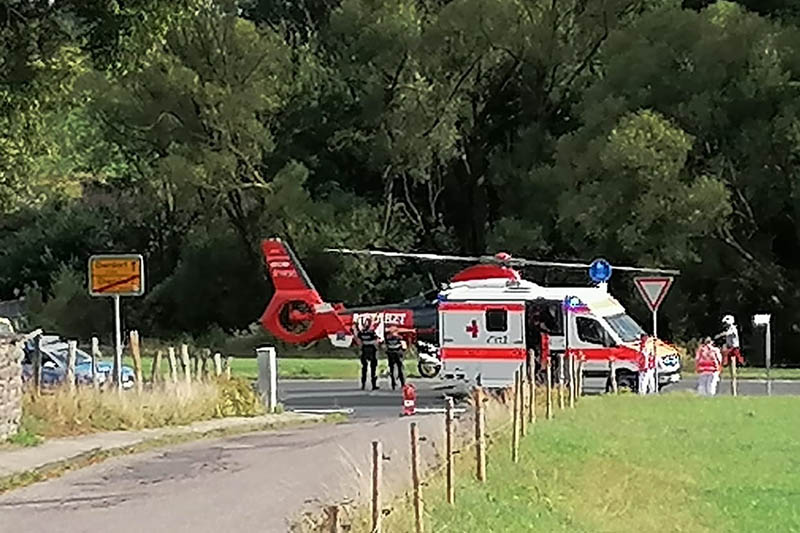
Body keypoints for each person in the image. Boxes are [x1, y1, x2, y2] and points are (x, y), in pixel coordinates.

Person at [354, 317, 379, 390]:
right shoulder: (371, 332)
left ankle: (363, 384)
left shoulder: (361, 332)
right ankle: (373, 385)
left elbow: (358, 340)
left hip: (365, 350)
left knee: (364, 368)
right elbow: (376, 340)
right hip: (371, 350)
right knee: (372, 368)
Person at [384, 326, 407, 390]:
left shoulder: (389, 338)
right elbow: (404, 347)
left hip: (394, 354)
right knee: (396, 369)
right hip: (395, 354)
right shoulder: (398, 338)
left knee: (396, 369)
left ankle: (398, 383)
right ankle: (398, 383)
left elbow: (385, 346)